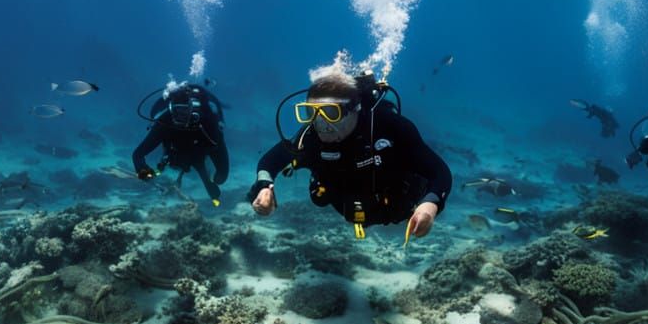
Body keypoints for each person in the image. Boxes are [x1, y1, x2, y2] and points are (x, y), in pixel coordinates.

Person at [248, 69, 451, 240]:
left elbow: (439, 172)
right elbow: (270, 161)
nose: (321, 123)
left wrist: (430, 204)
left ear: (355, 110)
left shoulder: (390, 127)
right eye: (311, 112)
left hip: (401, 208)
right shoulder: (309, 137)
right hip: (347, 206)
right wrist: (265, 186)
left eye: (331, 112)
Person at [133, 82, 229, 206]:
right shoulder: (164, 122)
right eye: (177, 110)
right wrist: (142, 169)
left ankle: (207, 176)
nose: (181, 116)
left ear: (191, 107)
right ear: (171, 109)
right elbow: (138, 154)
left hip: (199, 153)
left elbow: (219, 145)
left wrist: (221, 174)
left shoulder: (205, 120)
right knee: (176, 160)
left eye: (184, 110)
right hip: (174, 151)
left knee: (219, 179)